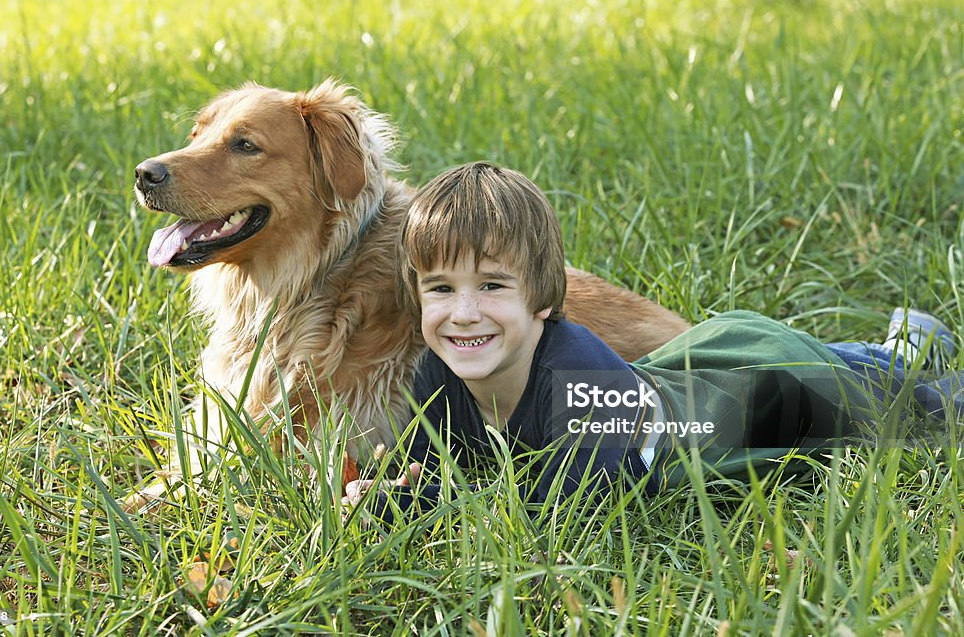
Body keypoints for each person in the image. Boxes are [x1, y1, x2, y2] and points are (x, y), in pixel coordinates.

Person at [343, 162, 961, 522]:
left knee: (911, 407)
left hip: (754, 397)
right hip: (679, 371)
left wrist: (430, 507)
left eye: (493, 285)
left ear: (544, 298)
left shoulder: (579, 375)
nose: (464, 314)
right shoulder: (436, 377)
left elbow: (569, 510)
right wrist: (386, 496)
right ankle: (900, 348)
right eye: (441, 289)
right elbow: (428, 474)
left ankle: (904, 352)